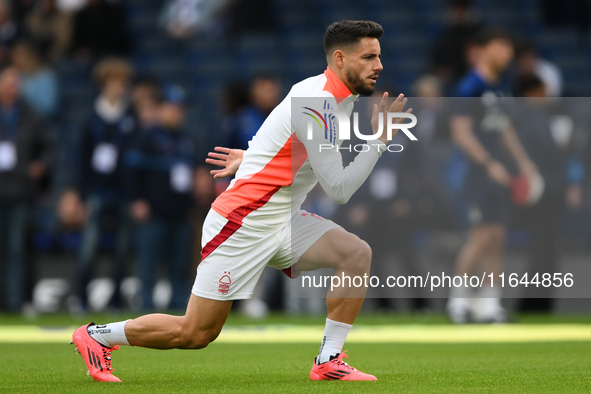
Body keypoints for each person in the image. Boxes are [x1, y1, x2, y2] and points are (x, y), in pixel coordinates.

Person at [71, 20, 411, 382]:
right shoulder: (317, 100)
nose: (379, 65)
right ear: (340, 58)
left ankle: (328, 360)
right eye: (369, 57)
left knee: (356, 254)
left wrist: (250, 159)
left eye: (379, 56)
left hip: (280, 218)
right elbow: (339, 189)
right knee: (196, 333)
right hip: (243, 221)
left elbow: (281, 132)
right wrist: (378, 140)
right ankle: (96, 336)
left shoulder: (330, 96)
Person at [447, 27, 539, 324]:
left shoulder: (501, 88)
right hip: (474, 175)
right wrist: (488, 164)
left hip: (500, 175)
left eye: (509, 48)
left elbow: (505, 130)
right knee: (479, 237)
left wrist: (525, 163)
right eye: (501, 46)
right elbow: (461, 133)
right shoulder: (468, 87)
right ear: (484, 49)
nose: (507, 53)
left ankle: (488, 304)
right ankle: (458, 303)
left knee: (498, 237)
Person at [58, 58, 137, 311]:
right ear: (104, 84)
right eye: (114, 81)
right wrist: (76, 192)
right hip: (96, 188)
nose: (118, 87)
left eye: (122, 82)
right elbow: (80, 158)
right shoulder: (91, 117)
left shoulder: (131, 116)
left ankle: (115, 299)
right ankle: (81, 296)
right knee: (89, 244)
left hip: (124, 189)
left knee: (123, 248)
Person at [125, 84, 196, 310]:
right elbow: (131, 172)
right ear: (161, 109)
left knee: (179, 267)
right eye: (172, 107)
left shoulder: (186, 140)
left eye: (180, 108)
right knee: (148, 266)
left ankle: (180, 312)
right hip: (153, 213)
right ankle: (145, 309)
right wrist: (137, 199)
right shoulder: (147, 137)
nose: (177, 113)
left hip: (180, 214)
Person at [0, 66, 51, 311]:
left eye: (15, 83)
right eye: (8, 83)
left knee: (17, 249)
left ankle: (15, 301)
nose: (13, 88)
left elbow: (48, 148)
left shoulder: (31, 114)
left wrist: (40, 166)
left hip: (20, 191)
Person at [11, 40, 59, 119]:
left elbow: (49, 108)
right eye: (15, 56)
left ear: (31, 56)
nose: (17, 59)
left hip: (40, 123)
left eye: (21, 55)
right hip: (17, 123)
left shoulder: (46, 77)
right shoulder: (16, 76)